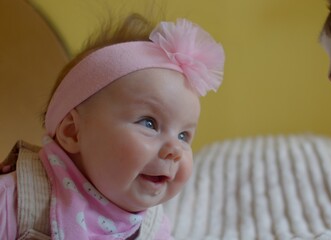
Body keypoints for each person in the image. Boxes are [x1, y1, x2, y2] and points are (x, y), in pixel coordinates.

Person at [0, 13, 225, 239]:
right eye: (149, 123)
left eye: (184, 136)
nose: (175, 150)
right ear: (73, 132)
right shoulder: (15, 201)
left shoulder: (153, 229)